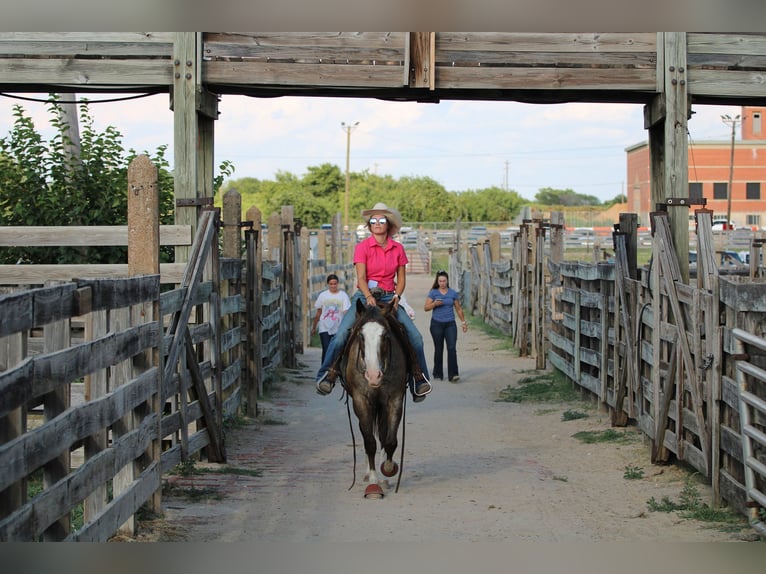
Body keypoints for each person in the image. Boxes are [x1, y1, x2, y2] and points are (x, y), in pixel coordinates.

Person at [315, 202, 432, 402]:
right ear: (369, 226)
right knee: (342, 333)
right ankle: (327, 374)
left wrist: (396, 297)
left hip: (389, 296)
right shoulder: (362, 247)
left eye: (382, 220)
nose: (377, 223)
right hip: (364, 295)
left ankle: (419, 378)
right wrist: (368, 296)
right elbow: (361, 277)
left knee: (415, 336)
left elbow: (401, 278)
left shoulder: (398, 249)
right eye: (374, 221)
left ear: (388, 224)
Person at [424, 270, 467, 382]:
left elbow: (458, 308)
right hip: (436, 324)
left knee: (451, 348)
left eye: (444, 281)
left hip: (450, 324)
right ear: (437, 282)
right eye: (440, 281)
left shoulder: (453, 293)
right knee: (439, 349)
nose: (442, 283)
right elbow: (426, 308)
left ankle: (453, 374)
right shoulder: (433, 292)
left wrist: (463, 322)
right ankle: (438, 373)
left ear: (447, 281)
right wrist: (434, 304)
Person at [311, 274, 351, 363]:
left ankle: (334, 369)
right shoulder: (323, 296)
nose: (333, 286)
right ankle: (324, 371)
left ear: (338, 284)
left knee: (337, 349)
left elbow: (346, 312)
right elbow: (319, 312)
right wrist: (314, 327)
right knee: (326, 348)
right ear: (328, 284)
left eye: (335, 284)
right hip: (324, 326)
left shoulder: (343, 296)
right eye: (331, 284)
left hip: (338, 327)